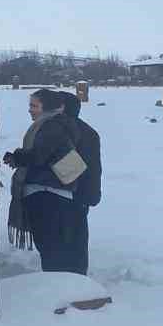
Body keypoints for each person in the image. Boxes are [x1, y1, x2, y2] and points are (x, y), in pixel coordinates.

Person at [3, 90, 84, 274]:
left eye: (34, 106)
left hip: (48, 195)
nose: (30, 110)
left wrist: (17, 157)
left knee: (51, 250)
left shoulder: (51, 125)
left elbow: (39, 155)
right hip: (50, 193)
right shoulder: (52, 124)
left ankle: (58, 291)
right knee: (53, 248)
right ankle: (60, 288)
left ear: (46, 108)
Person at [59, 94, 101, 273]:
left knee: (70, 238)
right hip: (81, 192)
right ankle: (77, 274)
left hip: (70, 191)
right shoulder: (88, 131)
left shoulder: (67, 131)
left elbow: (85, 166)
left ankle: (73, 278)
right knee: (77, 237)